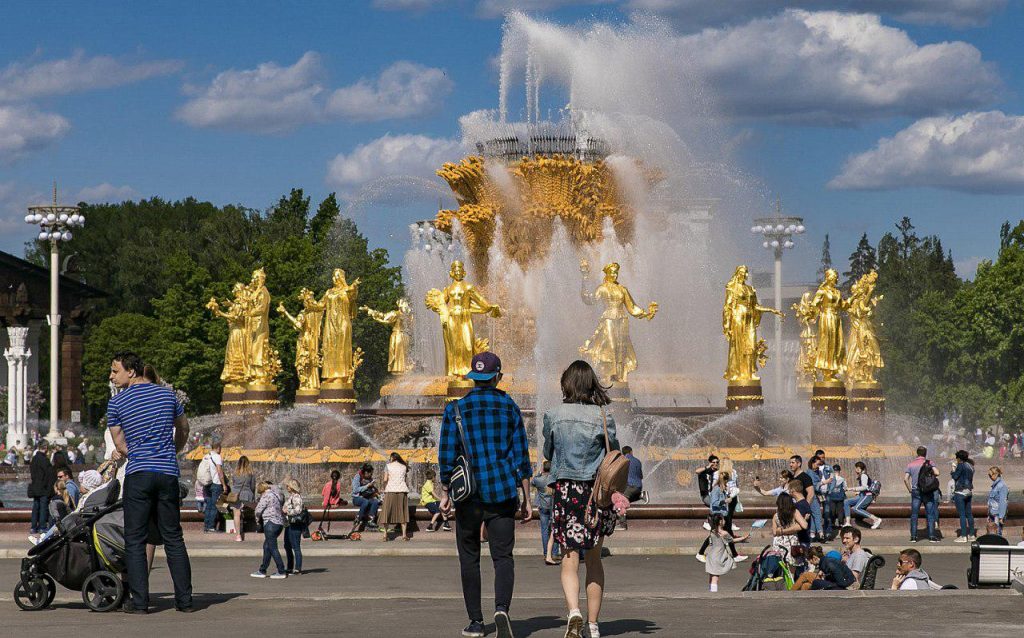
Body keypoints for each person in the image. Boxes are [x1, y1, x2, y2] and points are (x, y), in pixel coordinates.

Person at [439, 352, 532, 638]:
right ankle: (502, 608)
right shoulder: (509, 407)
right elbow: (521, 456)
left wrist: (445, 492)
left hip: (468, 496)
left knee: (469, 557)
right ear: (498, 377)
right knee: (503, 556)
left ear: (474, 377)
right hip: (502, 491)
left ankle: (476, 622)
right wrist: (527, 497)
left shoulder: (456, 409)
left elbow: (447, 455)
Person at [544, 359, 627, 638]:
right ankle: (593, 625)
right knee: (593, 559)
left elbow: (548, 451)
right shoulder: (604, 416)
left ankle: (573, 612)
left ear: (566, 384)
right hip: (595, 495)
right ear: (592, 384)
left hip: (567, 493)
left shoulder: (553, 414)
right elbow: (612, 454)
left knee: (569, 557)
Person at [106, 351, 193, 613]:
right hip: (167, 473)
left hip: (139, 475)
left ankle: (140, 603)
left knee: (135, 539)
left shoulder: (117, 404)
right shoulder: (168, 395)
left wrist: (140, 453)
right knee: (173, 538)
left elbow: (120, 444)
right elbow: (184, 428)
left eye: (115, 370)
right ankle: (185, 602)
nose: (111, 376)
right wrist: (171, 450)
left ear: (131, 371)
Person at [251, 480, 287, 579]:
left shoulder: (266, 496)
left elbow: (258, 510)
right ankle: (262, 570)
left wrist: (257, 521)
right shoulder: (276, 495)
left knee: (273, 548)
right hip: (279, 524)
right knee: (267, 547)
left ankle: (281, 571)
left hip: (270, 523)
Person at [903, 446, 940, 543]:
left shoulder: (911, 464)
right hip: (927, 491)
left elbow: (905, 479)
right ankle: (932, 536)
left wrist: (910, 490)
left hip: (915, 491)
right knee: (930, 514)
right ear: (925, 453)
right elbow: (937, 472)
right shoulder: (929, 463)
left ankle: (914, 537)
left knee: (914, 515)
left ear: (917, 453)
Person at [530, 460, 558, 564]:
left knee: (544, 530)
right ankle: (554, 553)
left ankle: (546, 553)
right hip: (553, 507)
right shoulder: (553, 480)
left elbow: (532, 482)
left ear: (543, 468)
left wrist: (539, 473)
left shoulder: (539, 480)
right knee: (554, 530)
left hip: (543, 507)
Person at [380, 452, 411, 541]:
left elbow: (385, 479)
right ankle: (404, 535)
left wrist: (384, 487)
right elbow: (405, 480)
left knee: (387, 512)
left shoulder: (388, 466)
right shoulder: (404, 467)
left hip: (390, 490)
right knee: (403, 512)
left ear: (392, 458)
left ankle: (385, 535)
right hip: (402, 491)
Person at [843, 461, 883, 529]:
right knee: (846, 502)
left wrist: (851, 489)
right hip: (862, 495)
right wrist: (859, 492)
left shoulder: (863, 475)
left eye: (857, 468)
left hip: (867, 496)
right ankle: (848, 522)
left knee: (856, 508)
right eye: (856, 468)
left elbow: (864, 487)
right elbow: (866, 487)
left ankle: (876, 519)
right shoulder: (862, 475)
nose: (856, 470)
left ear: (860, 469)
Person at [771, 492, 806, 567]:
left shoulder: (776, 515)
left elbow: (774, 532)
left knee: (781, 566)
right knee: (792, 566)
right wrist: (804, 519)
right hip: (791, 541)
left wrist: (781, 531)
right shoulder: (794, 512)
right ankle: (791, 579)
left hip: (779, 542)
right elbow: (804, 525)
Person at [28, 442, 55, 536]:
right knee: (43, 507)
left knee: (35, 507)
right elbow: (50, 474)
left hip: (35, 486)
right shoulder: (45, 460)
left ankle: (33, 527)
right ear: (46, 448)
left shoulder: (34, 459)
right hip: (43, 488)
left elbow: (32, 473)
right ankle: (42, 527)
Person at [704, 513, 734, 593]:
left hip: (711, 556)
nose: (724, 521)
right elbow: (732, 540)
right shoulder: (724, 533)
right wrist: (743, 538)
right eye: (723, 519)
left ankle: (711, 591)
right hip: (718, 556)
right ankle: (713, 595)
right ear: (720, 522)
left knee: (711, 576)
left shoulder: (713, 530)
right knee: (715, 577)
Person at [200, 441, 226, 533]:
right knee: (215, 505)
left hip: (207, 484)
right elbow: (219, 472)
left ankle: (206, 526)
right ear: (218, 448)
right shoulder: (217, 457)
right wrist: (224, 485)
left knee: (208, 506)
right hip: (215, 484)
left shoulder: (206, 456)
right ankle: (211, 527)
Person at [951, 450, 976, 542]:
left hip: (960, 492)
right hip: (969, 491)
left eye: (956, 458)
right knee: (969, 514)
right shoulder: (970, 466)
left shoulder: (960, 465)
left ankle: (963, 536)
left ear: (959, 458)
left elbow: (955, 477)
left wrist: (953, 469)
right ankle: (972, 534)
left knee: (962, 514)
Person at [617, 446, 643, 531]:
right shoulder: (638, 461)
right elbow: (641, 476)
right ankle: (640, 495)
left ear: (622, 453)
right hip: (638, 486)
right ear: (631, 452)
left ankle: (623, 524)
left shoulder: (622, 461)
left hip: (630, 486)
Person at [230, 456, 256, 542]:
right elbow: (253, 486)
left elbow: (233, 484)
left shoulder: (235, 473)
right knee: (250, 512)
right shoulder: (250, 473)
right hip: (247, 495)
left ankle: (238, 535)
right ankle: (254, 529)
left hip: (235, 495)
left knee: (236, 515)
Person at [283, 478, 306, 574]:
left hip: (295, 524)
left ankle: (298, 568)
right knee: (287, 545)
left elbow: (298, 510)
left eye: (288, 485)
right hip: (289, 524)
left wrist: (287, 511)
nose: (286, 487)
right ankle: (290, 566)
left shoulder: (296, 497)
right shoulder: (291, 496)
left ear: (292, 487)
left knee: (296, 546)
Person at [351, 463, 380, 533]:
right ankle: (358, 518)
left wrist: (376, 492)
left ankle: (370, 520)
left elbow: (371, 489)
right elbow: (355, 490)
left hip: (367, 497)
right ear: (366, 472)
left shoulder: (369, 478)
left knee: (375, 501)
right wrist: (367, 486)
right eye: (370, 474)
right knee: (365, 502)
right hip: (357, 498)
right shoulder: (357, 477)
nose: (371, 476)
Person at [421, 468, 448, 532]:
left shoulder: (430, 483)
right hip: (427, 502)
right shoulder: (428, 484)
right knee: (438, 511)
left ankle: (446, 524)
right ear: (433, 477)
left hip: (432, 501)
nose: (435, 478)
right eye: (435, 477)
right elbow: (433, 493)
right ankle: (430, 526)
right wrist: (440, 499)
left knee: (441, 505)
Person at [987, 466, 1008, 535]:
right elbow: (992, 500)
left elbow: (1003, 502)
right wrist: (989, 515)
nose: (989, 476)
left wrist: (1001, 517)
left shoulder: (1002, 485)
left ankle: (999, 545)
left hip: (998, 515)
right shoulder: (995, 485)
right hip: (993, 513)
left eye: (990, 475)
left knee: (998, 533)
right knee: (992, 533)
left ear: (996, 474)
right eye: (988, 475)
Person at [826, 464, 847, 535]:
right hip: (840, 498)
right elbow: (845, 488)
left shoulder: (830, 479)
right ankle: (841, 523)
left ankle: (832, 523)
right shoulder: (842, 479)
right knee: (840, 510)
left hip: (832, 497)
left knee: (832, 510)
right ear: (839, 471)